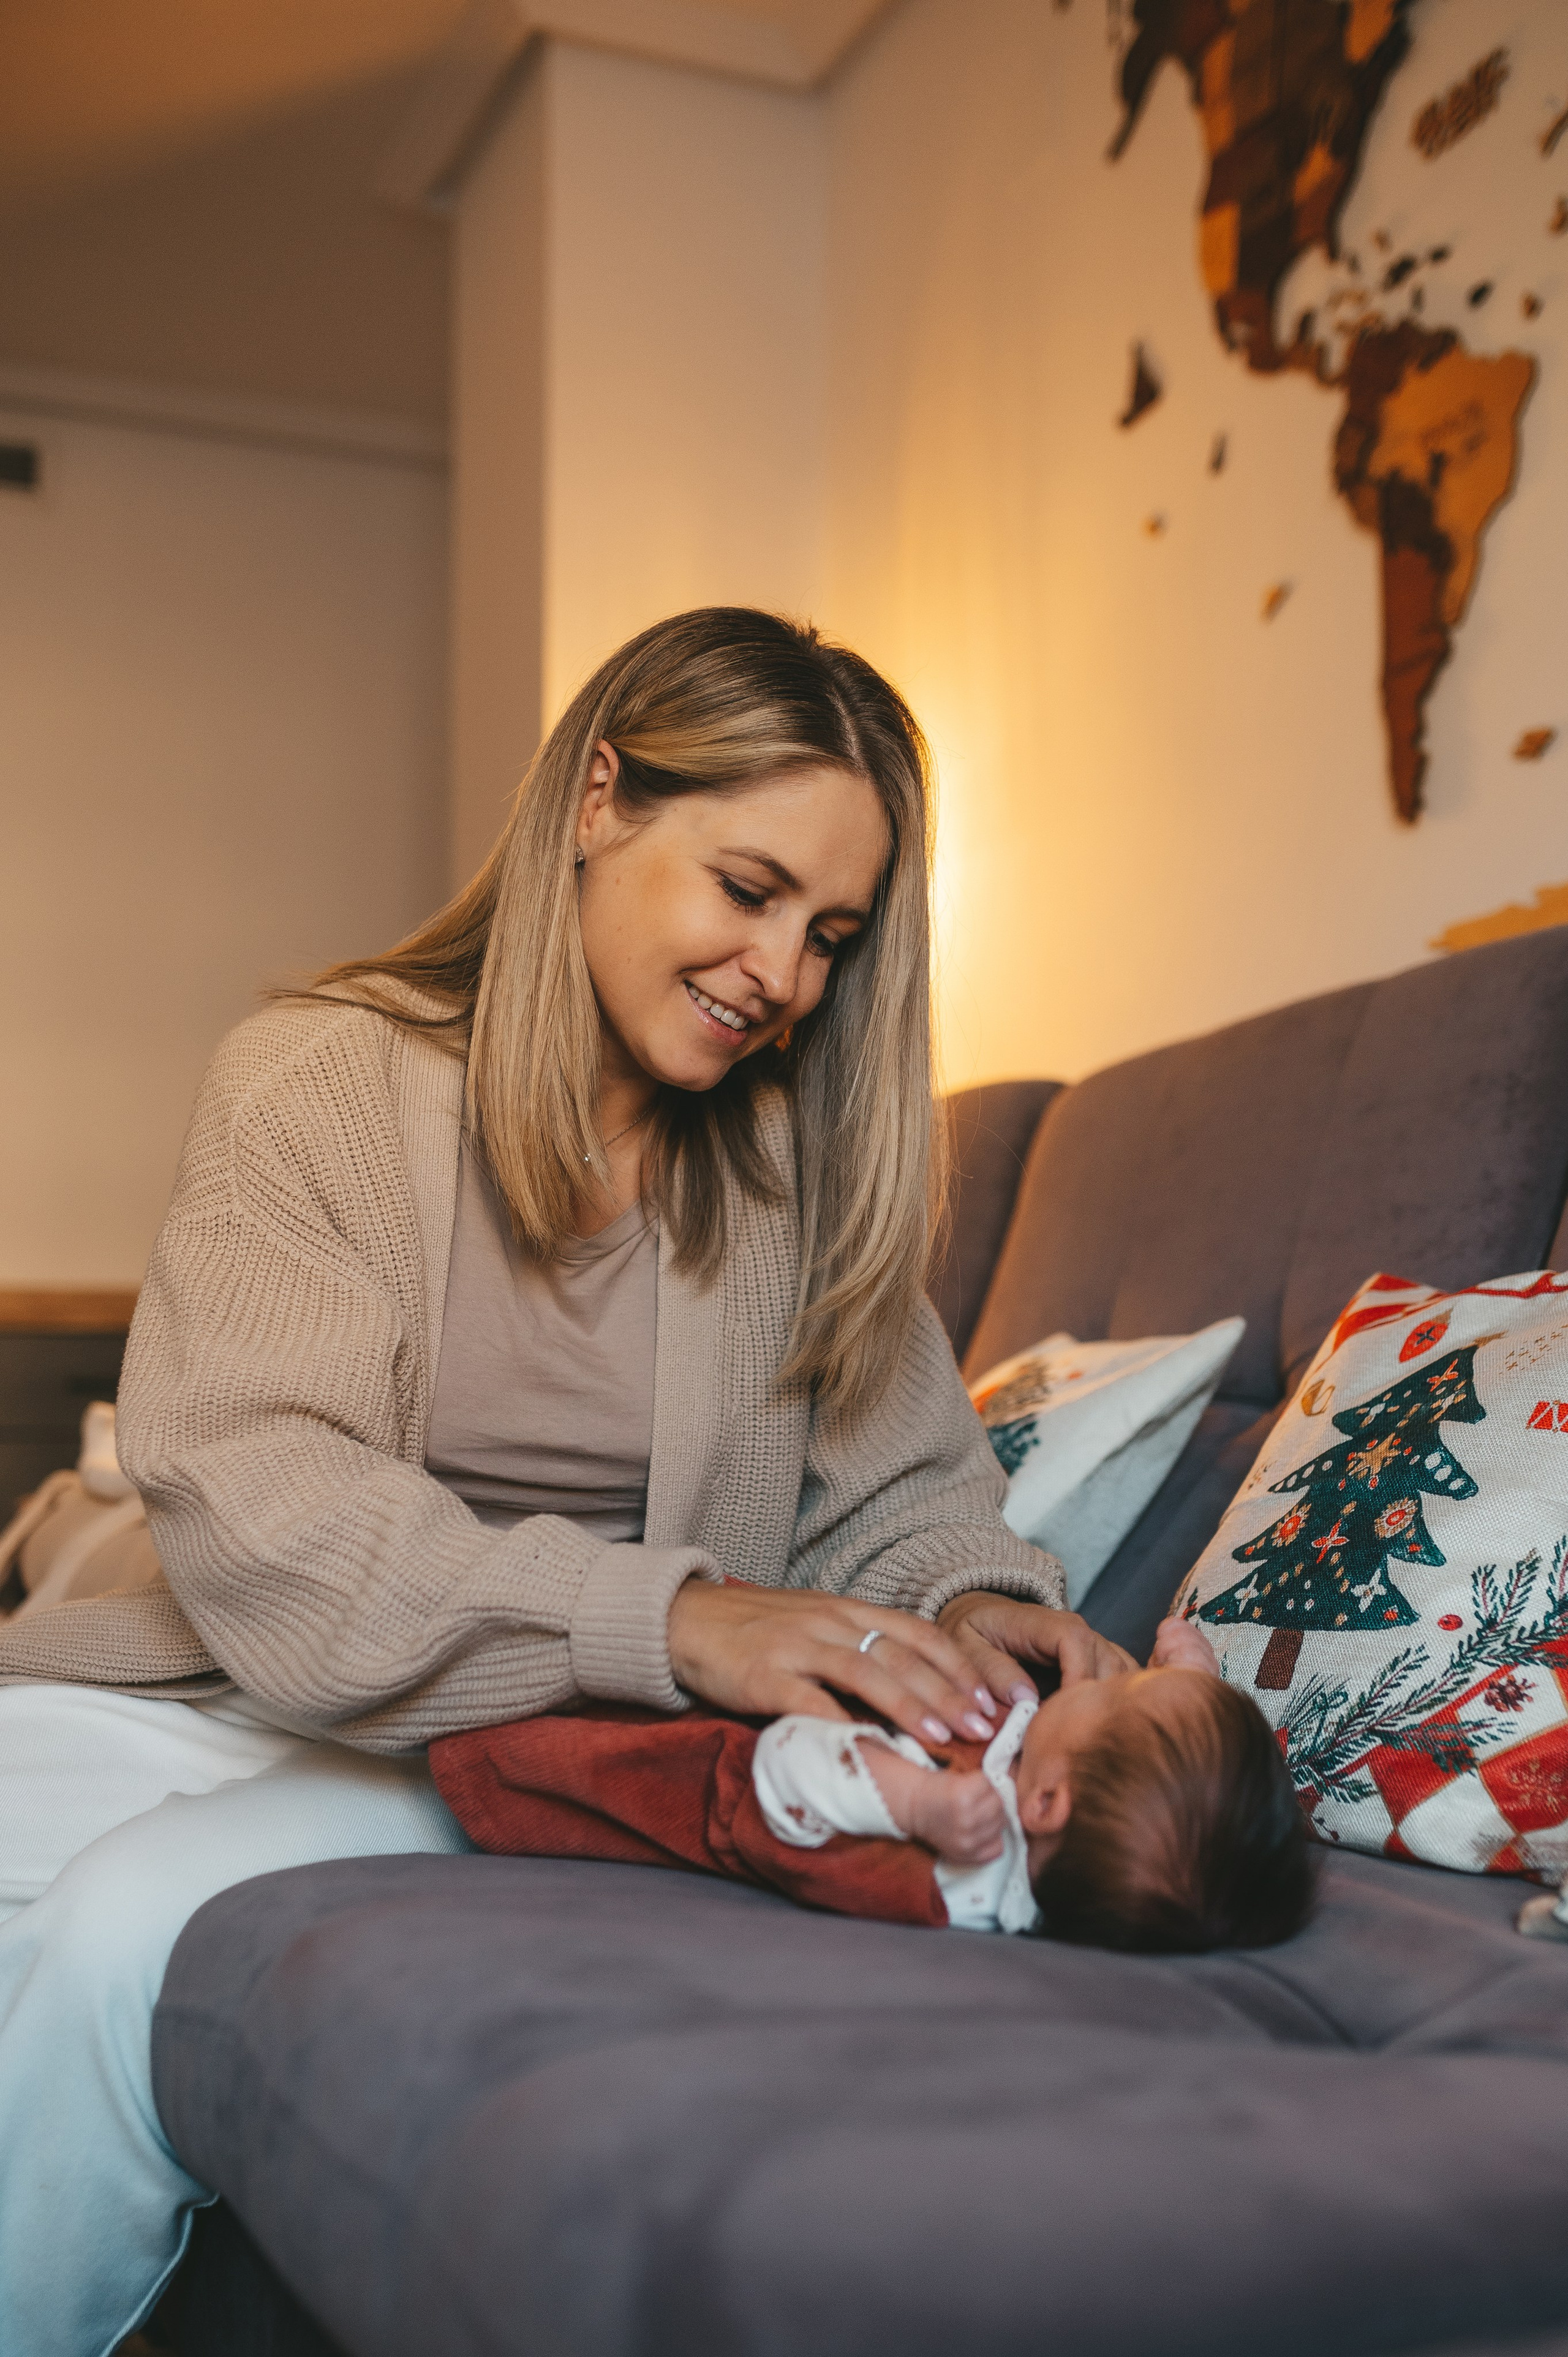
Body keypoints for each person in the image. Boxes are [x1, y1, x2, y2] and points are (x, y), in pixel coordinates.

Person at [0, 607, 1131, 2355]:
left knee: (116, 1934)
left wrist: (981, 1605)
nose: (784, 975)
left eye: (830, 935)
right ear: (600, 794)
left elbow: (905, 1494)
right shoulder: (317, 1083)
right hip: (256, 1674)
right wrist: (682, 1611)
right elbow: (269, 1521)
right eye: (748, 888)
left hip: (539, 1732)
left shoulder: (798, 1177)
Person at [431, 1616, 1316, 1950]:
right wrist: (1188, 1675)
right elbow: (1201, 1772)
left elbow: (782, 1778)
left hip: (687, 1757)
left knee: (527, 1706)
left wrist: (914, 1799)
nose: (1096, 1678)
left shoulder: (945, 1870)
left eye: (1118, 1695)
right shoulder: (1072, 1813)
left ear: (1047, 1804)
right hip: (763, 1645)